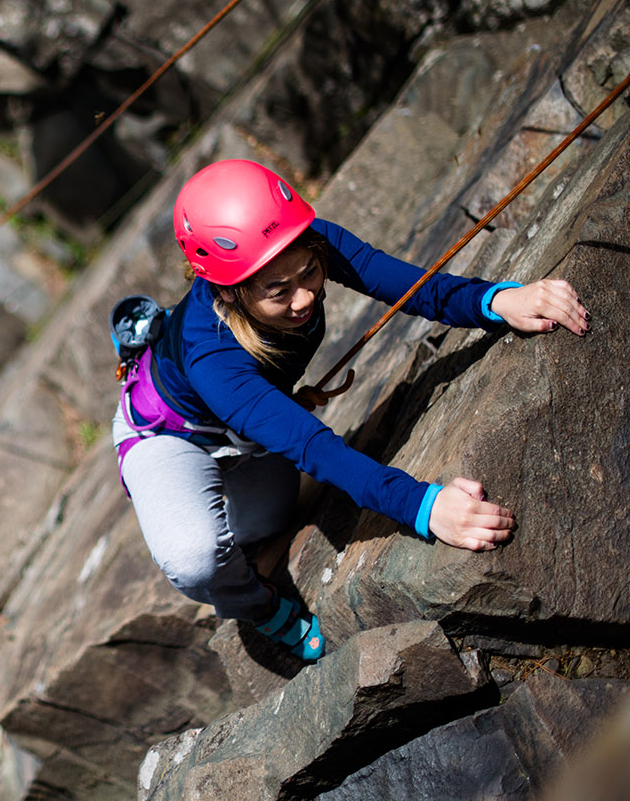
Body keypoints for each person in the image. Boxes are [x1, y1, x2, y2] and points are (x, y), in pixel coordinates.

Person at [113, 159, 589, 661]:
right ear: (231, 290)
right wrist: (424, 507)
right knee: (198, 560)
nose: (304, 297)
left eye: (310, 273)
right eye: (278, 291)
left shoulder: (302, 242)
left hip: (247, 428)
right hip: (168, 433)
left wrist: (497, 300)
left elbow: (412, 288)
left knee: (269, 522)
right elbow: (314, 448)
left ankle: (236, 506)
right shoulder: (211, 356)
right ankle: (257, 607)